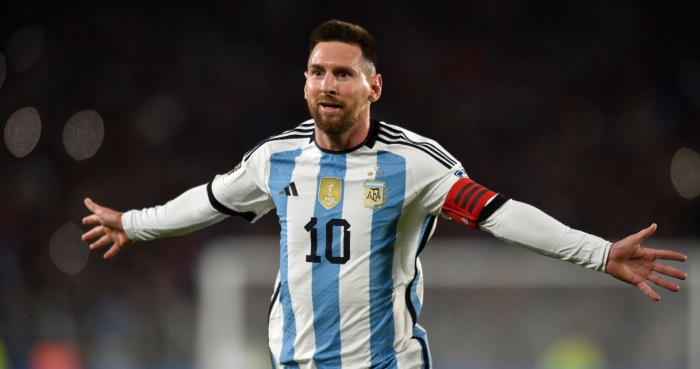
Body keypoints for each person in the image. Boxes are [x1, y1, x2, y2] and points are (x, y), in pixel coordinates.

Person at [81, 20, 688, 369]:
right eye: (318, 72)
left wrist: (599, 252)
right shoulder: (277, 159)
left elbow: (499, 214)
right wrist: (133, 224)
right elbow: (208, 199)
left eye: (343, 74)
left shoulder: (413, 165)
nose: (327, 84)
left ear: (374, 87)